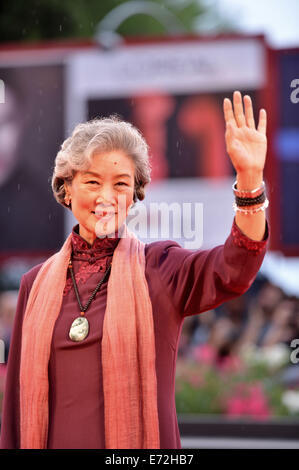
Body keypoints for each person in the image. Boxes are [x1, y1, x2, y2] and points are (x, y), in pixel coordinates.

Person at [0, 91, 270, 449]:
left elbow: (236, 267)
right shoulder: (33, 285)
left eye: (121, 184)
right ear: (66, 189)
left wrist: (250, 181)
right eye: (92, 182)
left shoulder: (160, 268)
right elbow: (15, 415)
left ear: (136, 193)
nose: (106, 196)